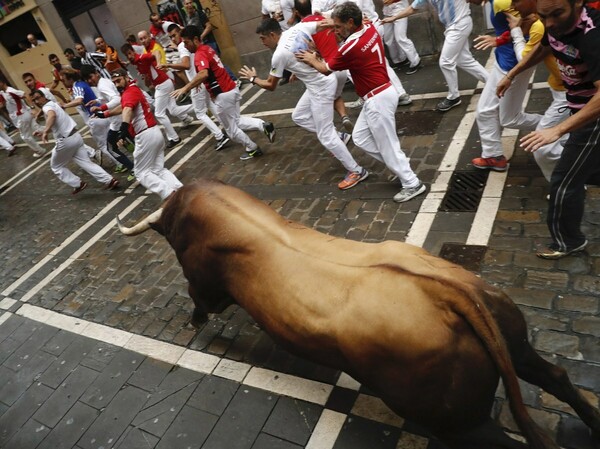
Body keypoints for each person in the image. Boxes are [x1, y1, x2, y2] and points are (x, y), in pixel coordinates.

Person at [497, 0, 600, 259]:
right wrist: (512, 74)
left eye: (557, 14)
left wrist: (557, 130)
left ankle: (568, 241)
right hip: (575, 105)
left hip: (592, 116)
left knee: (565, 181)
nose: (551, 22)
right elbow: (544, 48)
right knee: (583, 171)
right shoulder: (552, 24)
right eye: (544, 16)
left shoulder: (591, 35)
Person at [297, 2, 425, 202]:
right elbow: (351, 17)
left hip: (378, 98)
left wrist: (311, 58)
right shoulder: (369, 27)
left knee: (388, 146)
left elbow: (325, 69)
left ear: (350, 22)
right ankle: (400, 168)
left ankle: (411, 183)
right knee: (360, 138)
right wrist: (331, 20)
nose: (336, 31)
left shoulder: (349, 47)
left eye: (338, 27)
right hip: (380, 93)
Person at [241, 18, 368, 189]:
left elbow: (271, 86)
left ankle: (356, 171)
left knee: (325, 135)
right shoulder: (298, 28)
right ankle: (341, 137)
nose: (262, 43)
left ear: (272, 34)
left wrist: (253, 78)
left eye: (263, 38)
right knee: (299, 116)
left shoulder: (279, 54)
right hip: (325, 78)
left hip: (321, 87)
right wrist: (353, 25)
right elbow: (325, 23)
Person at [172, 25, 275, 161]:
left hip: (223, 95)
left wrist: (186, 88)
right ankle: (263, 125)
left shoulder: (199, 54)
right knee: (237, 121)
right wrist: (198, 83)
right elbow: (209, 73)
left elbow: (203, 73)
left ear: (195, 39)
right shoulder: (207, 49)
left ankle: (252, 148)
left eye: (186, 42)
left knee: (231, 131)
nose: (185, 46)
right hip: (231, 89)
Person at [498, 0, 568, 182]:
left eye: (516, 2)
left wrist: (515, 31)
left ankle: (567, 183)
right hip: (559, 86)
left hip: (569, 91)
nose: (514, 7)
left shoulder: (540, 25)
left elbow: (526, 57)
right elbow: (540, 49)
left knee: (542, 147)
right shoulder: (541, 24)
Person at [470, 0, 541, 171]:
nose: (466, 2)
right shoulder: (497, 2)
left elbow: (527, 25)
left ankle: (556, 124)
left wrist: (500, 40)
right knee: (485, 111)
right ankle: (493, 156)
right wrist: (499, 40)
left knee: (510, 118)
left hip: (514, 65)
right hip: (504, 59)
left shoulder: (504, 2)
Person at [382, 0, 488, 112]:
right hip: (454, 26)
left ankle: (454, 97)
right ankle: (490, 81)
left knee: (446, 62)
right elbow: (413, 8)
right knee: (464, 60)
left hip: (459, 25)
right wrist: (394, 18)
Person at [110, 68, 183, 200]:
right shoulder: (132, 90)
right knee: (158, 170)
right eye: (114, 82)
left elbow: (127, 109)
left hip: (145, 136)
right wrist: (105, 113)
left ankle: (169, 195)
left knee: (141, 172)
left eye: (118, 80)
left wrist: (122, 131)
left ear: (126, 77)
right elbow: (124, 106)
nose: (117, 84)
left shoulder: (129, 92)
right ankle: (181, 191)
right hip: (154, 132)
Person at [30, 89, 118, 194]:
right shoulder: (53, 104)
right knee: (85, 162)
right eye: (34, 100)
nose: (36, 101)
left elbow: (52, 116)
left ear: (44, 97)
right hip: (76, 137)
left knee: (56, 166)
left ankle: (78, 183)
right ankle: (109, 180)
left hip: (66, 141)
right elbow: (57, 125)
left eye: (38, 98)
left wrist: (45, 132)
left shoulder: (47, 107)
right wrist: (44, 131)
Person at [164, 23, 229, 151]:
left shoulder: (183, 46)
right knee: (210, 105)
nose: (173, 39)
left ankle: (220, 136)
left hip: (197, 82)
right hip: (200, 80)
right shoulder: (185, 45)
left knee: (200, 113)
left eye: (174, 35)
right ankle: (227, 126)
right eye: (170, 37)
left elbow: (186, 65)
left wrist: (169, 65)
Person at [294, 0, 353, 132]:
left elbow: (305, 52)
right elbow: (337, 39)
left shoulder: (302, 28)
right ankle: (344, 117)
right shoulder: (325, 19)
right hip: (340, 67)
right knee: (335, 95)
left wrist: (295, 71)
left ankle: (333, 135)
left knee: (321, 106)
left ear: (297, 13)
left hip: (325, 70)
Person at [121, 42, 194, 148]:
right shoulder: (135, 61)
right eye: (127, 55)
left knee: (159, 114)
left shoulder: (141, 57)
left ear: (133, 51)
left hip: (163, 84)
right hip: (163, 83)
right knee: (173, 109)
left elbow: (156, 52)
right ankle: (197, 108)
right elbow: (143, 68)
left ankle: (174, 138)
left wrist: (159, 63)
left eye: (130, 53)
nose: (129, 56)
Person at [80, 65, 136, 177]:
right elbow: (107, 96)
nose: (90, 81)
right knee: (128, 140)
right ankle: (141, 161)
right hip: (119, 117)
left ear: (96, 73)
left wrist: (102, 107)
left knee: (111, 147)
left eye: (91, 77)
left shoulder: (102, 85)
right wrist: (96, 101)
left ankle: (134, 168)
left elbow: (116, 98)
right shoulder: (103, 82)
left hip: (117, 119)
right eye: (87, 80)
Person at [60, 68, 121, 169]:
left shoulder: (77, 86)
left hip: (96, 117)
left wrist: (65, 105)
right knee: (111, 141)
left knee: (103, 145)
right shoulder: (82, 84)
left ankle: (119, 164)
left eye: (64, 80)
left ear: (70, 79)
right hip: (102, 115)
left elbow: (79, 100)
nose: (63, 82)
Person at [0, 78, 46, 158]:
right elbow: (3, 104)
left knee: (25, 136)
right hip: (22, 115)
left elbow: (25, 94)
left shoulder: (11, 91)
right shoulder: (3, 92)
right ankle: (57, 128)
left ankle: (40, 151)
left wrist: (32, 107)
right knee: (37, 128)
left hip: (21, 116)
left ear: (2, 83)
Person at [382, 0, 420, 72]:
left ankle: (415, 61)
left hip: (400, 7)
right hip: (388, 9)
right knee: (388, 38)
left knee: (400, 38)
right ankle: (400, 60)